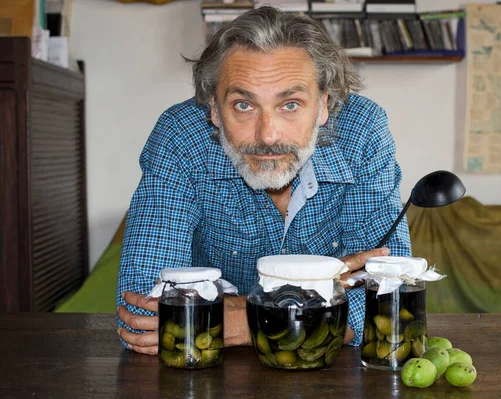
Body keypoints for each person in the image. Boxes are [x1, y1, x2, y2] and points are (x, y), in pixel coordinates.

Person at [116, 6, 411, 355]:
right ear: (213, 108)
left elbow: (393, 298)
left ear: (323, 106)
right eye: (244, 105)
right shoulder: (181, 135)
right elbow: (142, 313)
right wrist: (316, 294)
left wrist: (246, 317)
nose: (268, 135)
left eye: (290, 104)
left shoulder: (362, 131)